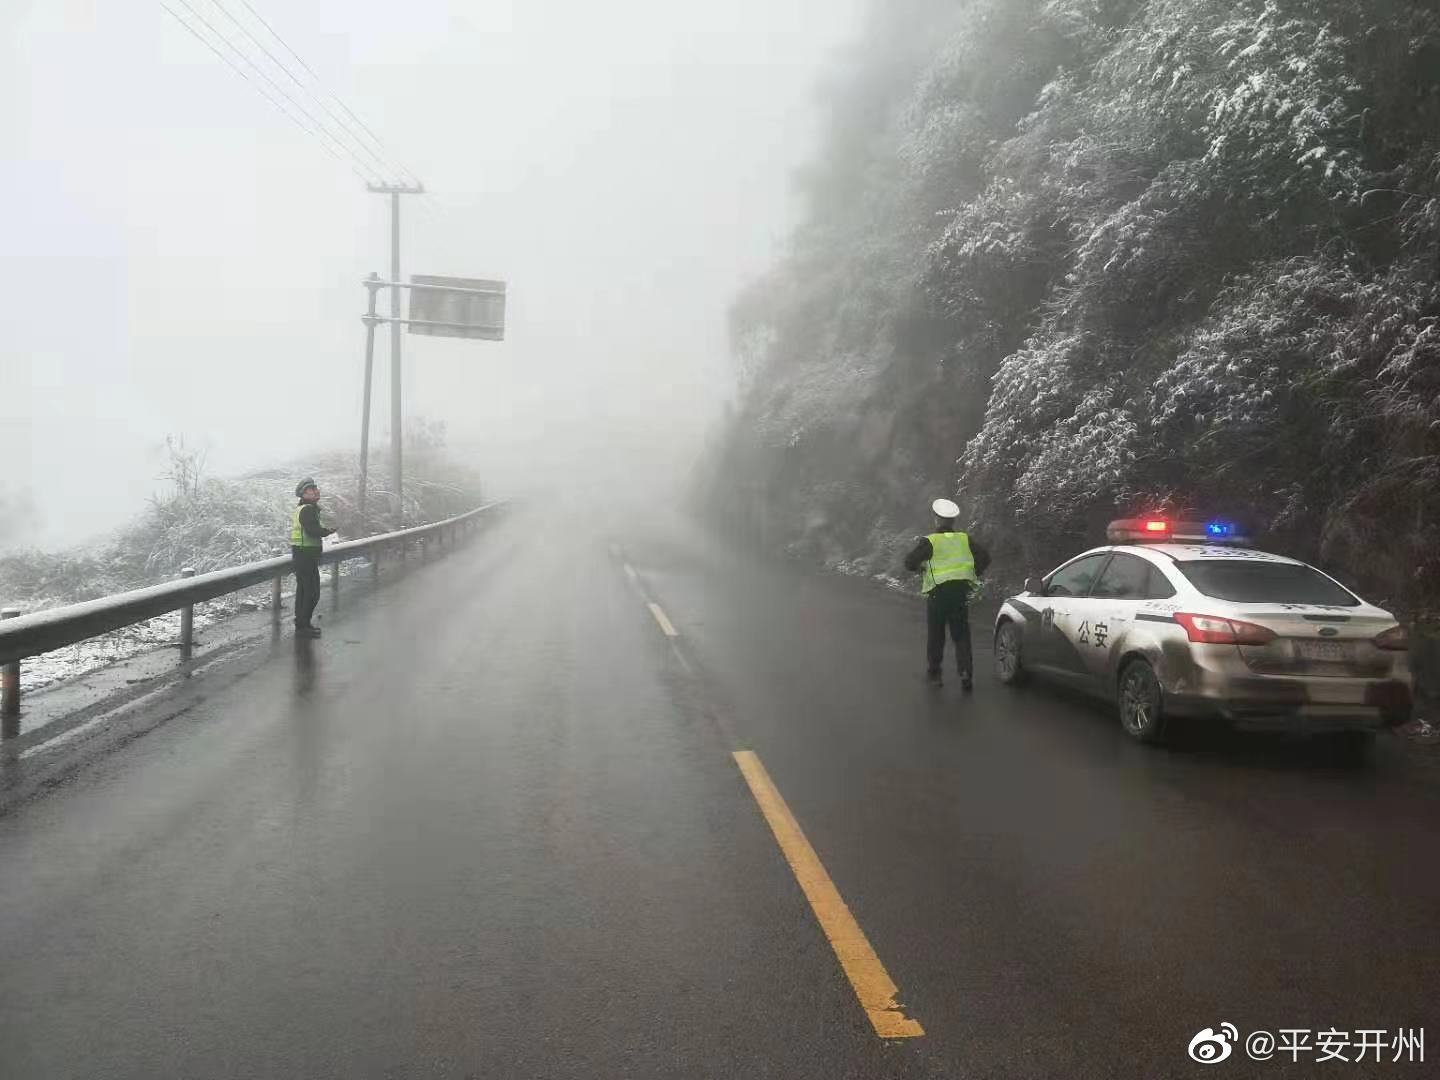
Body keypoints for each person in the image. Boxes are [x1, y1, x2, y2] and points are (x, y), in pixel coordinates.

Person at [903, 498, 991, 690]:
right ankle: (966, 673)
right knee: (961, 635)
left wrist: (921, 568)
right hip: (959, 593)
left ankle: (935, 674)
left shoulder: (930, 542)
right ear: (952, 521)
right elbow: (985, 557)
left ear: (936, 519)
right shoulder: (964, 539)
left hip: (938, 595)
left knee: (936, 634)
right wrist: (972, 573)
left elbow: (909, 562)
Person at [291, 478, 335, 638]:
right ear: (304, 494)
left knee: (303, 591)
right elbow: (312, 530)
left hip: (301, 554)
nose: (316, 490)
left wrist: (323, 529)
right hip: (305, 555)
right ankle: (303, 626)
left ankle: (302, 625)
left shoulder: (304, 508)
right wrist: (326, 531)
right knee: (312, 592)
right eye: (311, 489)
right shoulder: (308, 509)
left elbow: (309, 528)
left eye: (316, 488)